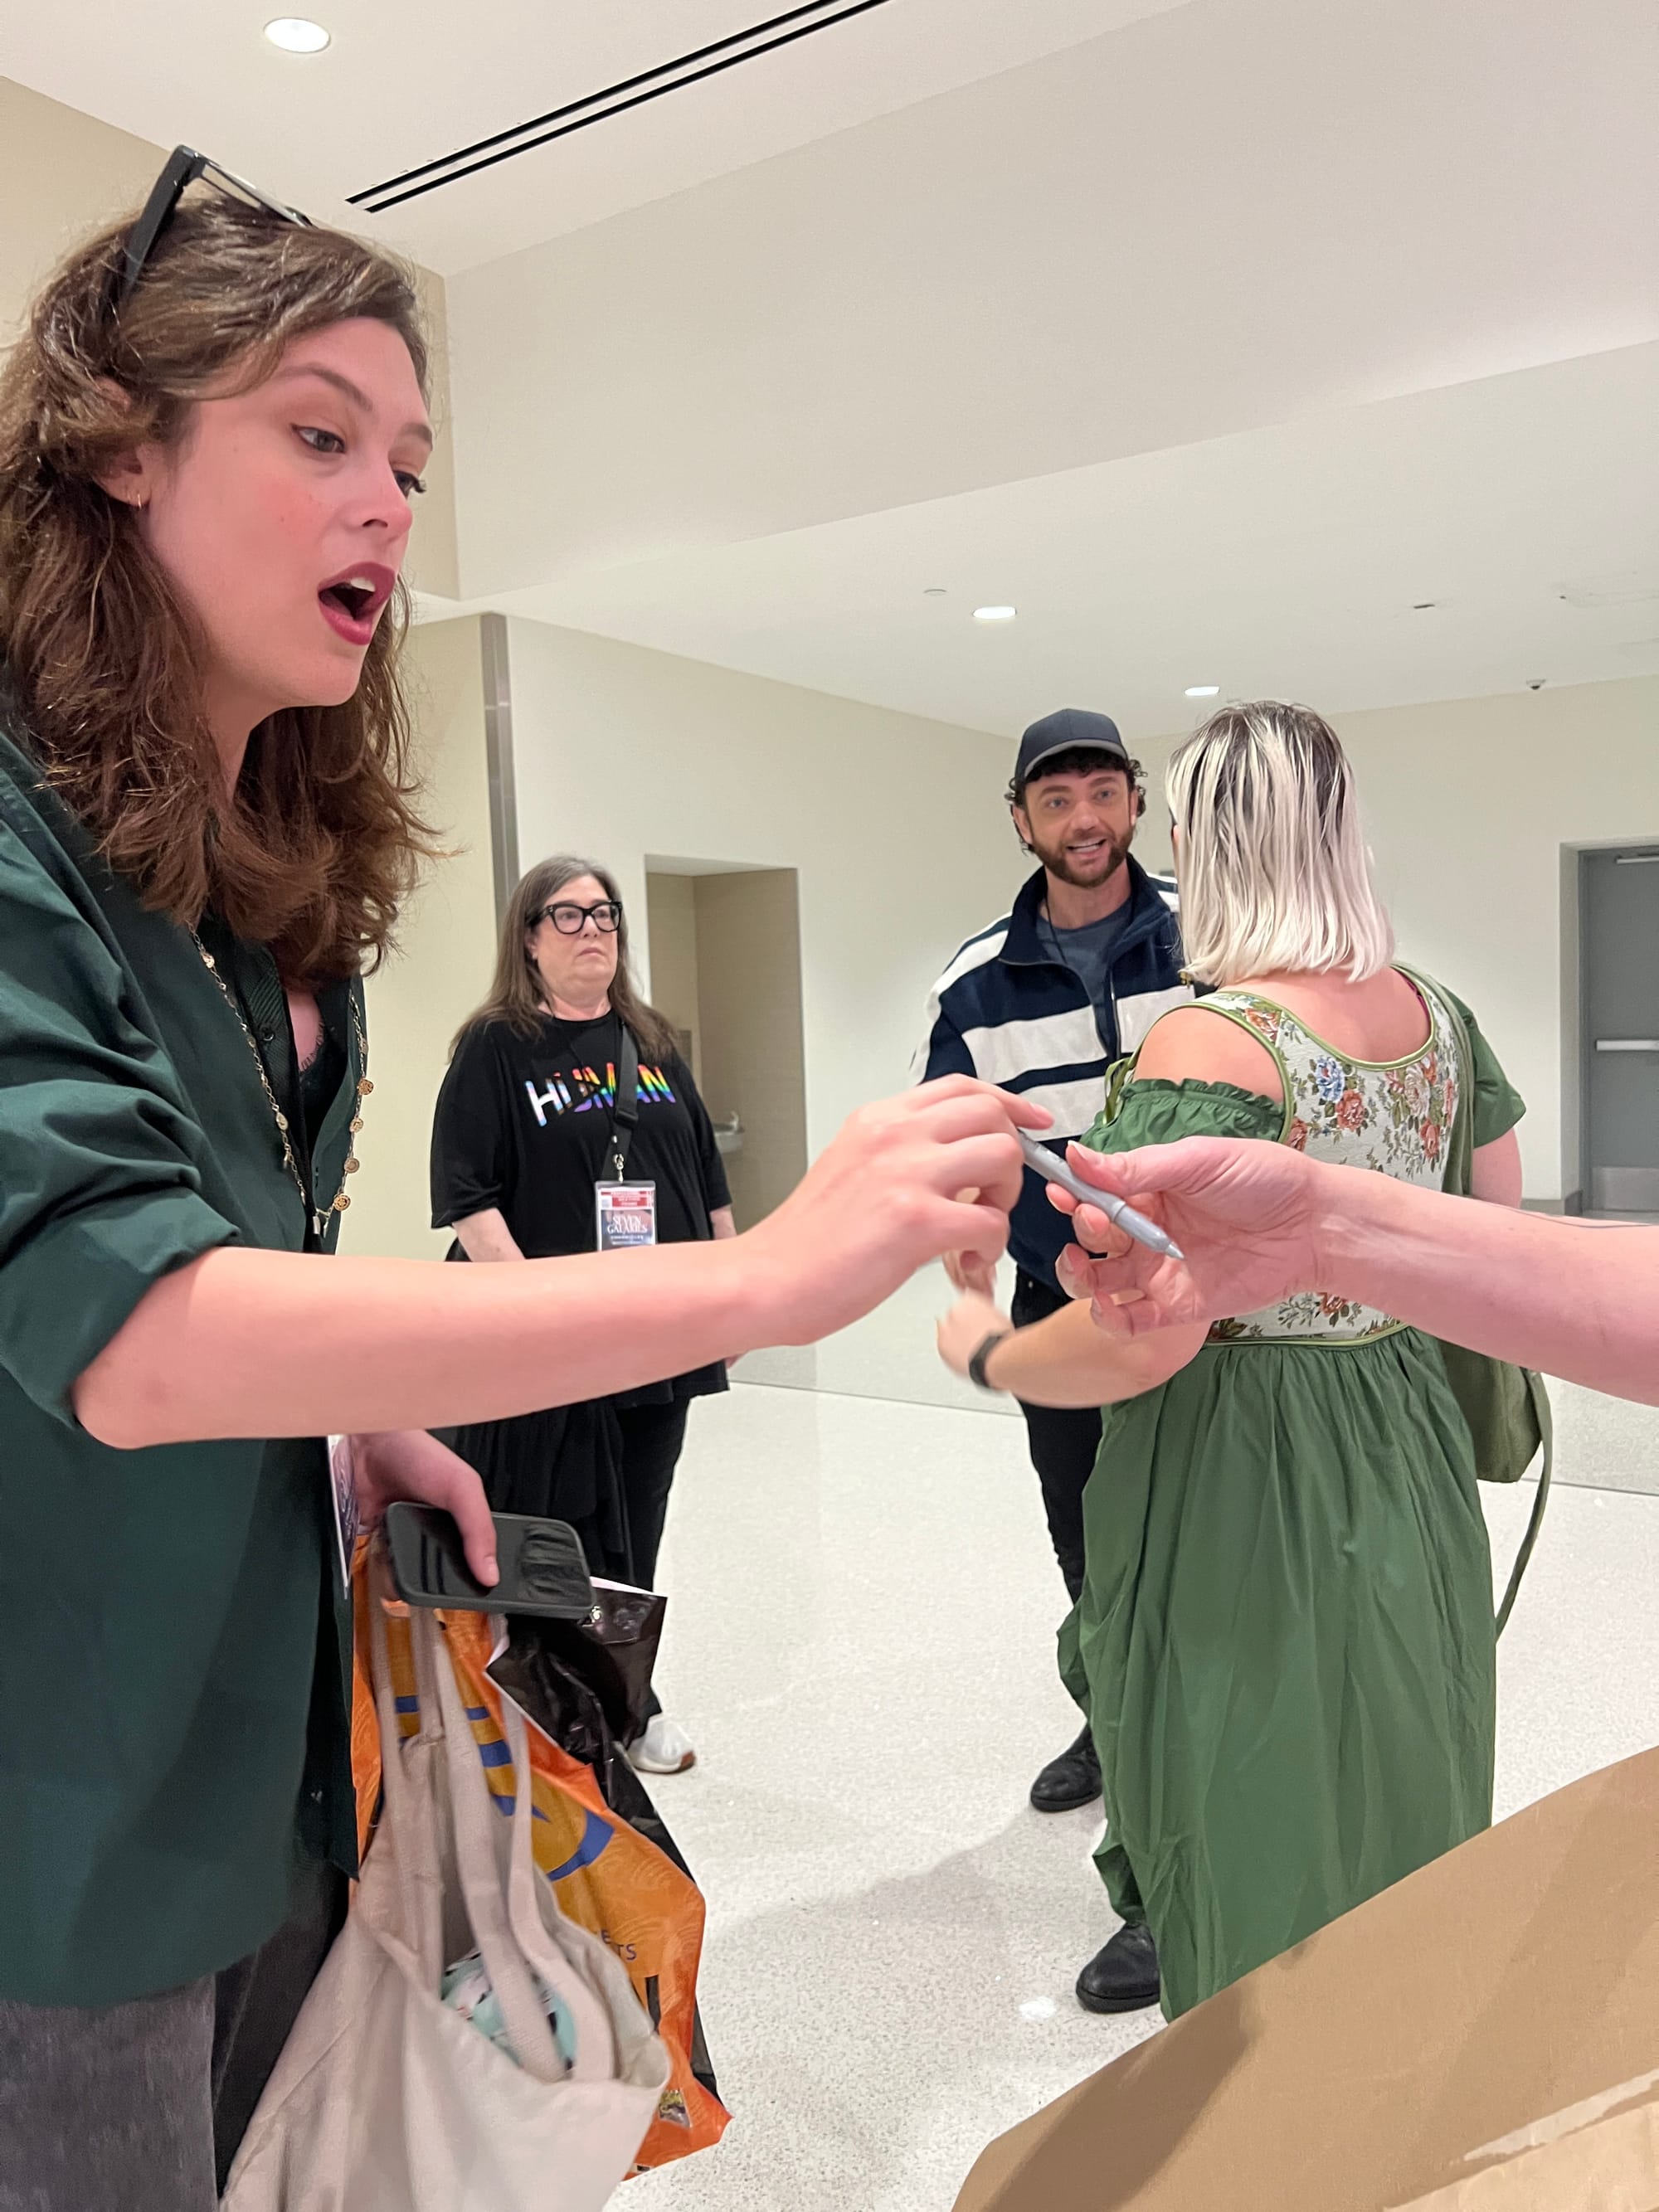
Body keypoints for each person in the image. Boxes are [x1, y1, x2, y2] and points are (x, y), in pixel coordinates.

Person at [0, 153, 1037, 2212]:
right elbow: (126, 1323)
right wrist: (761, 1280)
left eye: (407, 461)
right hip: (65, 1810)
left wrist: (346, 1416)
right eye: (319, 437)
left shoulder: (241, 880)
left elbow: (239, 1239)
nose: (389, 503)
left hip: (272, 1745)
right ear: (119, 445)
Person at [938, 701, 1525, 2021]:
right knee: (1400, 1757)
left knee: (1249, 1794)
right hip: (1405, 1426)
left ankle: (1268, 2087)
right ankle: (1404, 2057)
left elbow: (1143, 1334)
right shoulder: (1437, 1015)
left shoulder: (1212, 1042)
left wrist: (992, 1349)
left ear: (1209, 841)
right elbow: (1492, 1239)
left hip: (1243, 1459)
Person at [917, 706, 1187, 2010]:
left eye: (1102, 791)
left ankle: (1169, 1830)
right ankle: (1109, 1708)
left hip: (1205, 1304)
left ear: (1135, 798)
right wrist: (981, 1294)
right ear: (1020, 819)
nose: (1084, 818)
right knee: (1083, 1533)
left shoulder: (1208, 938)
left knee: (1194, 1549)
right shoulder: (974, 983)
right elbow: (958, 1149)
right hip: (1057, 1298)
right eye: (1057, 798)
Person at [432, 854, 737, 1777]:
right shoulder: (496, 1045)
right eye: (567, 915)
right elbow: (468, 1195)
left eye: (604, 914)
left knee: (638, 1521)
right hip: (551, 1344)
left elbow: (704, 1177)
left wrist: (729, 1290)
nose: (592, 929)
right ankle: (545, 1698)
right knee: (554, 1524)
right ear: (529, 937)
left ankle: (628, 1701)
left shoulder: (651, 1040)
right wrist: (540, 1314)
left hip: (657, 1333)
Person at [1050, 1135, 1659, 1403]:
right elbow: (1500, 1189)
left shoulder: (1200, 1035)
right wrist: (1317, 1227)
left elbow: (1149, 1356)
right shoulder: (1433, 1004)